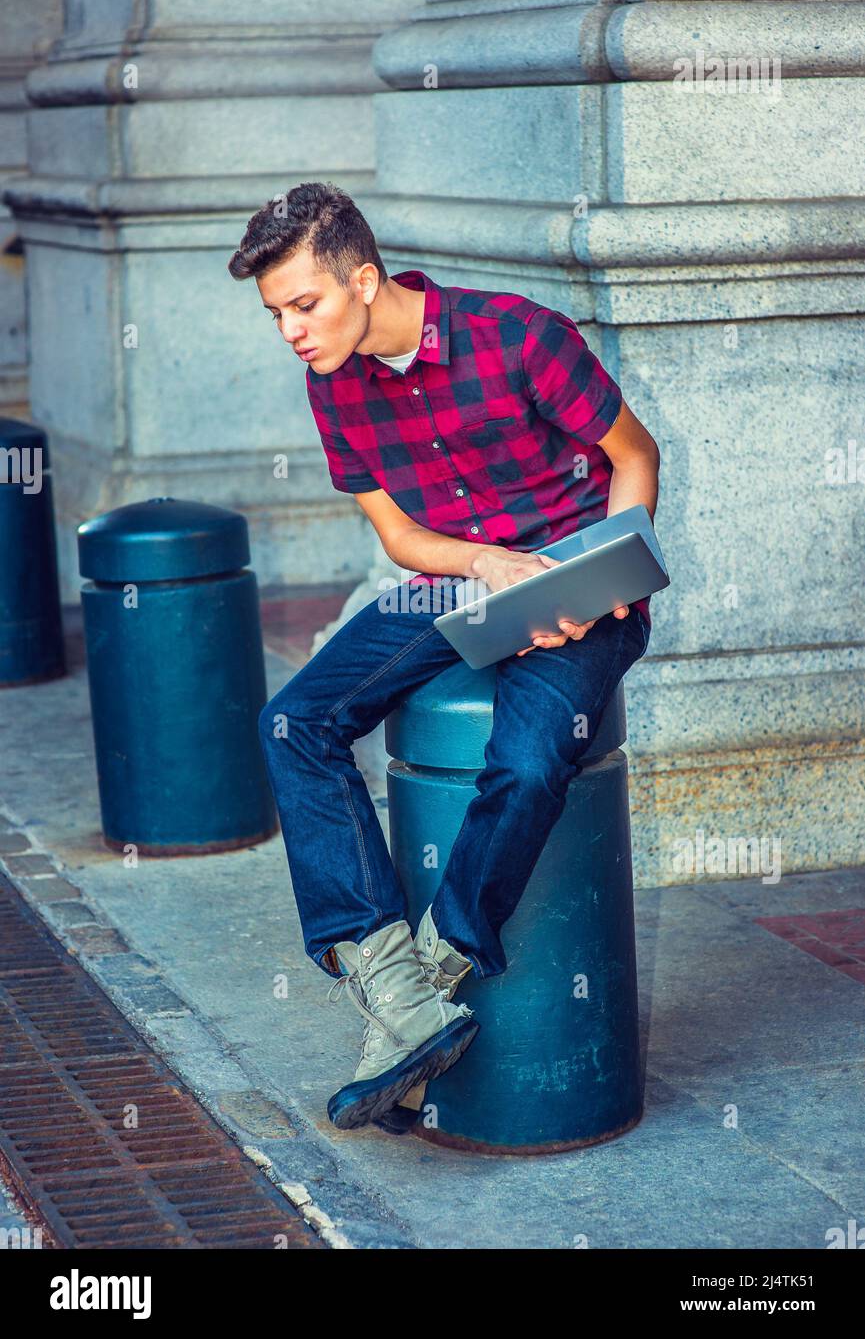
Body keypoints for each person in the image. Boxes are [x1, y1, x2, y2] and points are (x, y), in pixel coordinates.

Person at [228, 181, 660, 1131]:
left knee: (529, 757)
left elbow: (635, 457)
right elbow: (400, 538)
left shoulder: (520, 336)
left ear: (365, 280)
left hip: (581, 591)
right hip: (456, 583)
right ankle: (394, 988)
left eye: (305, 305)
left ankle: (435, 975)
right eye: (277, 314)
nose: (292, 331)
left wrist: (593, 584)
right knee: (294, 722)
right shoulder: (330, 383)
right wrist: (483, 564)